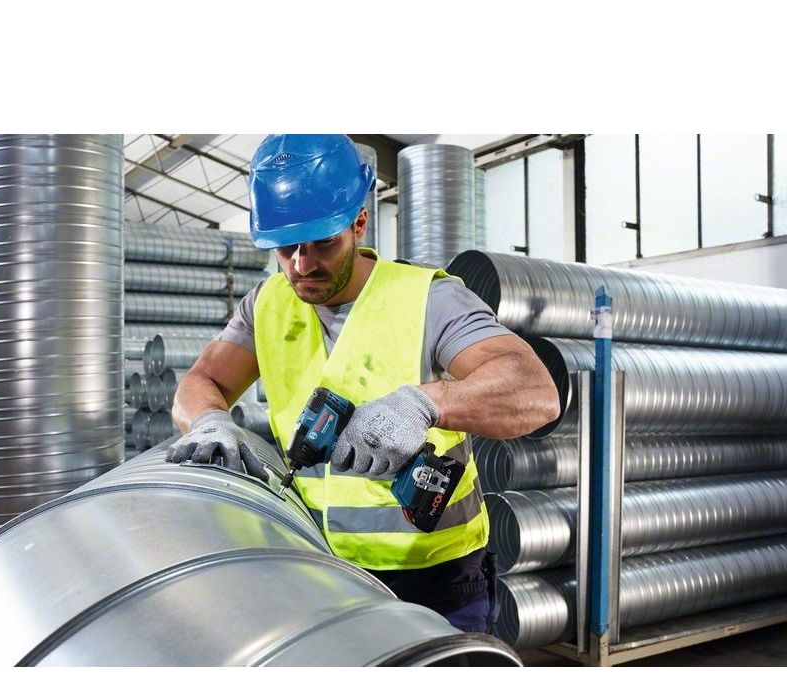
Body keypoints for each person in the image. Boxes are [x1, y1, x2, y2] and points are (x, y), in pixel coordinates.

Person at [167, 134, 560, 635]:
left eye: (322, 243)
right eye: (286, 247)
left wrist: (424, 403)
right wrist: (207, 420)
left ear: (358, 223)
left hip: (434, 580)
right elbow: (202, 380)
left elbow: (535, 391)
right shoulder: (265, 304)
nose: (302, 265)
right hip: (318, 568)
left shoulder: (429, 298)